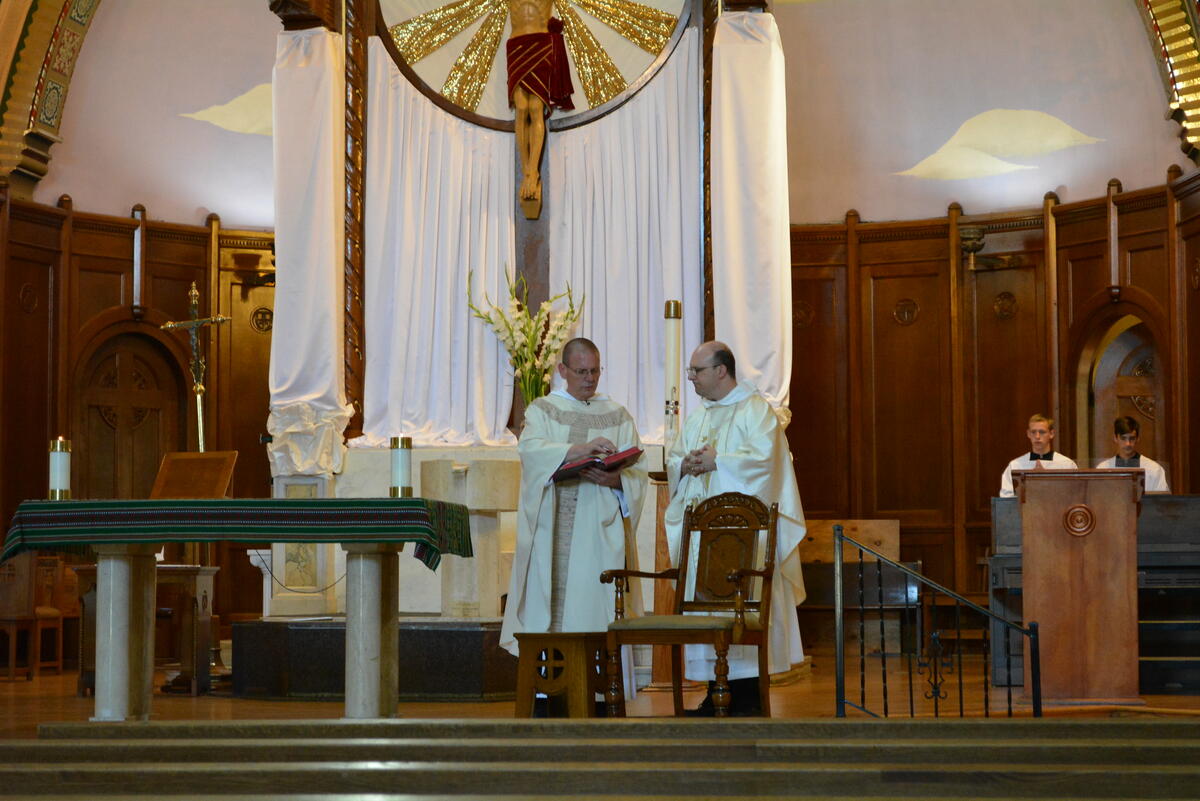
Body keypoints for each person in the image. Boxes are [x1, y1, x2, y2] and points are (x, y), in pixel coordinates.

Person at [664, 341, 807, 716]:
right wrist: (685, 464)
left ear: (721, 371)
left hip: (744, 541)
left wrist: (718, 463)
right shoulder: (699, 417)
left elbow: (765, 464)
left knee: (741, 604)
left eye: (697, 371)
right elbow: (677, 456)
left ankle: (746, 697)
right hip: (704, 539)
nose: (691, 378)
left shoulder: (756, 411)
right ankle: (716, 692)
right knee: (707, 608)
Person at [500, 338, 647, 658]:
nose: (590, 379)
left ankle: (598, 692)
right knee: (551, 609)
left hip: (600, 535)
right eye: (581, 371)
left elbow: (639, 471)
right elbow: (531, 452)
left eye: (595, 371)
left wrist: (618, 480)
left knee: (596, 605)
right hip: (553, 534)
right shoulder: (544, 410)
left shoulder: (618, 415)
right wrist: (580, 450)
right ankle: (548, 693)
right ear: (562, 369)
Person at [506, 0, 575, 218]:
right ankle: (526, 169)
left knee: (535, 108)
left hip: (541, 41)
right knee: (521, 108)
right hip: (516, 44)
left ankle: (533, 171)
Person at [998, 413, 1078, 497]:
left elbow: (1074, 495)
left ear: (1051, 434)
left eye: (1042, 432)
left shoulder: (1066, 464)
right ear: (1028, 434)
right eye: (1033, 432)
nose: (1037, 436)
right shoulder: (1015, 465)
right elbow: (1006, 498)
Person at [1096, 416, 1169, 493]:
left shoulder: (1154, 469)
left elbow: (1161, 502)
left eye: (1132, 438)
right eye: (1123, 438)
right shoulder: (1102, 470)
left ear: (1138, 438)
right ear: (1115, 438)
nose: (1128, 444)